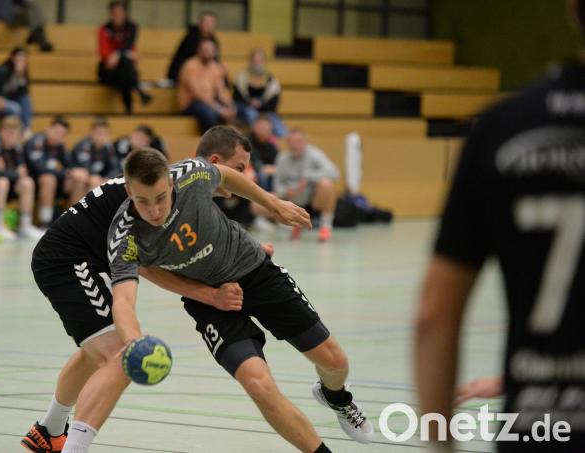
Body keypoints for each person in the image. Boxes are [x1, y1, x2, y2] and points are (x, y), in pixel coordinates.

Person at [63, 146, 374, 453]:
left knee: (335, 361)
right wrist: (134, 341)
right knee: (257, 383)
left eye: (160, 198)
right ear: (128, 190)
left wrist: (272, 203)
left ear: (170, 183)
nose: (154, 211)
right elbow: (123, 300)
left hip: (256, 273)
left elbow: (225, 173)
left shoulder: (188, 176)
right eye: (143, 201)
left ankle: (336, 397)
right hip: (209, 301)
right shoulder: (124, 235)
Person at [20, 125, 267, 453]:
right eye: (235, 169)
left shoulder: (183, 180)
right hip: (67, 260)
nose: (235, 179)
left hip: (86, 258)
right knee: (120, 356)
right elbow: (148, 268)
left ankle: (49, 431)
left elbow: (220, 189)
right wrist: (206, 297)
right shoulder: (162, 191)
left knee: (96, 349)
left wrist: (263, 225)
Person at [414, 2, 585, 450]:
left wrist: (441, 443)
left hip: (543, 419)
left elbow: (435, 313)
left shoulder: (504, 128)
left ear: (572, 10)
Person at [0, 115, 43, 240]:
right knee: (2, 182)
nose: (11, 137)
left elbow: (24, 172)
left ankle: (25, 225)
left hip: (9, 188)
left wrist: (11, 172)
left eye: (14, 134)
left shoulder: (16, 149)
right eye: (8, 133)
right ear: (1, 131)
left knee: (27, 182)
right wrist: (15, 173)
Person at [275, 128, 338, 242]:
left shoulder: (315, 154)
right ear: (287, 144)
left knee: (326, 184)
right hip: (293, 200)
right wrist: (286, 191)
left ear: (305, 142)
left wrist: (308, 177)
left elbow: (334, 173)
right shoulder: (282, 159)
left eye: (298, 142)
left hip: (313, 200)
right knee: (260, 202)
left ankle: (325, 227)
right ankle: (294, 223)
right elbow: (277, 185)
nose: (295, 146)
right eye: (292, 143)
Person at [23, 116, 85, 228]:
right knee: (48, 178)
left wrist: (74, 173)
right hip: (32, 183)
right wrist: (67, 173)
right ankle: (45, 224)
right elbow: (38, 169)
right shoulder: (36, 142)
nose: (58, 136)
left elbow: (70, 166)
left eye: (62, 135)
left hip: (55, 185)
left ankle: (71, 223)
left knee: (78, 179)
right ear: (48, 129)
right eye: (56, 132)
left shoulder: (60, 147)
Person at [97, 1, 150, 114]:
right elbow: (106, 57)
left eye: (120, 12)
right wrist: (122, 54)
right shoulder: (104, 29)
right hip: (108, 71)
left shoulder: (131, 27)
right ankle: (139, 92)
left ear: (125, 13)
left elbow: (132, 52)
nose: (117, 15)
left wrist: (118, 54)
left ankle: (130, 109)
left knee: (125, 69)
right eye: (115, 13)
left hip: (124, 70)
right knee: (125, 69)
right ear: (110, 14)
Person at [178, 37, 235, 133]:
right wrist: (219, 109)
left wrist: (230, 105)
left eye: (210, 50)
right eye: (205, 49)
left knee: (239, 112)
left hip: (211, 102)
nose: (207, 52)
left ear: (215, 51)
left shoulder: (216, 67)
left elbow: (222, 91)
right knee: (209, 113)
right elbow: (197, 94)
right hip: (191, 104)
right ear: (199, 50)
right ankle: (210, 143)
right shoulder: (190, 65)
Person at [233, 48, 286, 137]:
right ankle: (261, 137)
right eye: (255, 60)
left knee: (281, 130)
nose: (257, 62)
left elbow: (274, 103)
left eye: (260, 60)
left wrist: (260, 104)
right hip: (246, 109)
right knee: (252, 113)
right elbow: (236, 98)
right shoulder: (241, 77)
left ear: (264, 61)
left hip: (266, 111)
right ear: (250, 61)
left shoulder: (271, 80)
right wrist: (250, 102)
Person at [166, 11, 219, 84]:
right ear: (200, 24)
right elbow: (190, 65)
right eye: (206, 23)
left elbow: (215, 63)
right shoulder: (190, 39)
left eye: (212, 24)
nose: (209, 27)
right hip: (182, 76)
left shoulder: (214, 42)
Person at [70, 118, 118, 190]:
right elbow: (85, 166)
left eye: (105, 133)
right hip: (76, 177)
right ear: (92, 133)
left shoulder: (109, 147)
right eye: (99, 132)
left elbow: (115, 167)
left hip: (98, 178)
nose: (102, 136)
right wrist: (97, 177)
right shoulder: (83, 145)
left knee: (108, 183)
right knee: (93, 181)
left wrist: (107, 178)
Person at [0, 47, 32, 131]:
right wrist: (15, 75)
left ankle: (26, 129)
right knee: (15, 108)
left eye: (24, 57)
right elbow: (2, 90)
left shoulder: (23, 72)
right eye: (19, 56)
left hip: (13, 98)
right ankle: (15, 130)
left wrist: (19, 75)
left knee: (25, 100)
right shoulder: (3, 69)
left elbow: (24, 92)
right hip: (2, 99)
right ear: (12, 57)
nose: (21, 60)